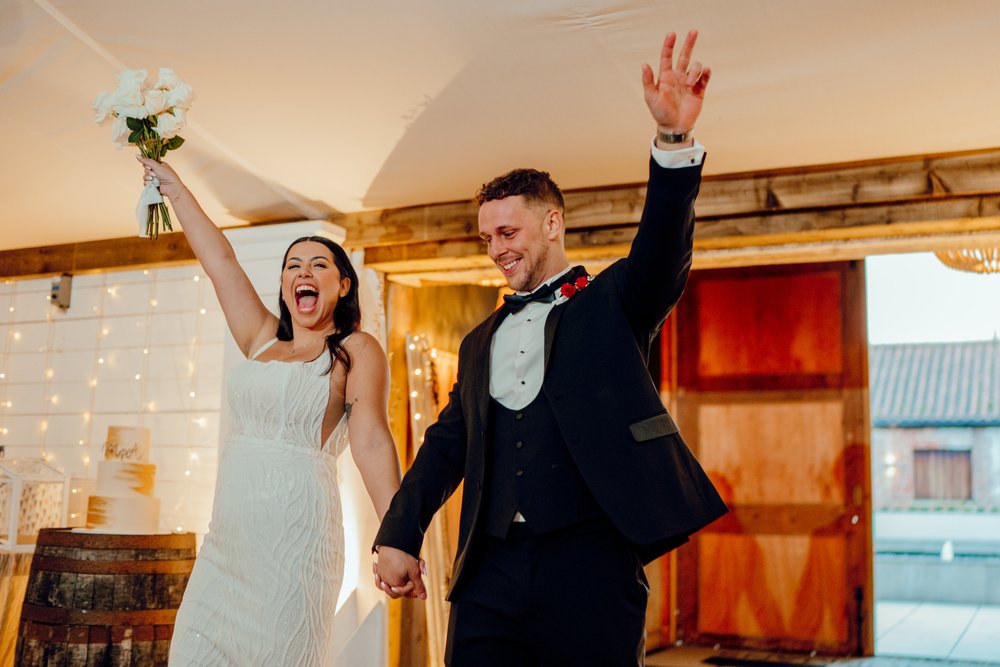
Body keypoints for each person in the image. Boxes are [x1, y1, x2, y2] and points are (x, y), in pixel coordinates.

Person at [372, 30, 728, 666]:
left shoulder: (612, 305)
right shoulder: (480, 341)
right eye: (487, 239)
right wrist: (398, 533)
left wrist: (672, 142)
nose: (498, 249)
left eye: (508, 231)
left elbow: (662, 250)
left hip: (590, 569)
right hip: (488, 576)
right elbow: (447, 443)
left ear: (553, 223)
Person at [136, 158, 402, 666]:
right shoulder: (260, 340)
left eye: (319, 264)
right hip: (225, 552)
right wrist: (174, 188)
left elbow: (370, 441)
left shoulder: (356, 350)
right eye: (293, 265)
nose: (304, 272)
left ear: (344, 285)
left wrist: (397, 535)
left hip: (295, 553)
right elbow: (221, 263)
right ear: (283, 285)